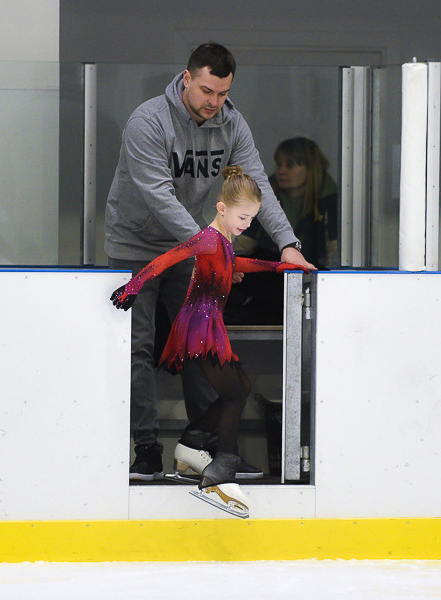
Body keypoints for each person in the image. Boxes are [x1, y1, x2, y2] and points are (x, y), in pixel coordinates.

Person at [104, 42, 315, 481]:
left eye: (221, 93)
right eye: (205, 91)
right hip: (135, 246)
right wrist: (210, 245)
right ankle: (145, 450)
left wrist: (287, 244)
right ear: (186, 78)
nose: (213, 102)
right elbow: (157, 195)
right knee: (138, 348)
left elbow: (257, 186)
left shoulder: (231, 124)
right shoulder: (148, 122)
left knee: (202, 346)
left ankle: (199, 450)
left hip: (194, 246)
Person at [111, 166, 309, 517]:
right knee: (234, 393)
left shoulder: (225, 242)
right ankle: (220, 469)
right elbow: (165, 260)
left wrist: (281, 267)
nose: (247, 224)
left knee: (240, 387)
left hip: (208, 325)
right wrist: (134, 286)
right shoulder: (206, 238)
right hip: (198, 328)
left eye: (252, 219)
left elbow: (238, 262)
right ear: (222, 208)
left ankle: (191, 444)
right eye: (243, 217)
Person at [226, 137, 338, 325]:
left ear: (311, 170)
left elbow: (336, 257)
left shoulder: (329, 201)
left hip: (314, 276)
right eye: (279, 165)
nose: (281, 171)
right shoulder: (265, 196)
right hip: (268, 278)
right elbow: (245, 243)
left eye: (291, 165)